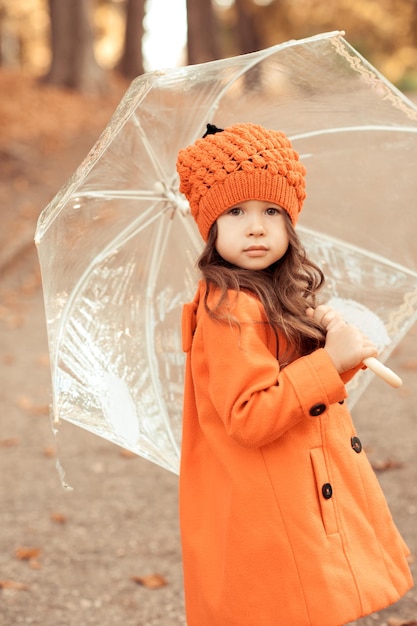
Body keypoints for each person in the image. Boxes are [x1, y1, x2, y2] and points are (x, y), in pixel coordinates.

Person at [175, 122, 413, 626]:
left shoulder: (264, 295)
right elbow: (251, 415)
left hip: (290, 496)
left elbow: (297, 390)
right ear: (210, 225)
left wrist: (329, 352)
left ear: (290, 222)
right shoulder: (230, 310)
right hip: (270, 511)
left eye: (271, 212)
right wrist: (330, 363)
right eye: (235, 212)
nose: (256, 226)